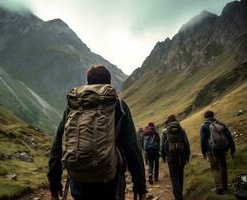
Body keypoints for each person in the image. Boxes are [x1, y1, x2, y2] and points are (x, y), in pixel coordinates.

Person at [48, 65, 147, 200]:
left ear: (88, 83)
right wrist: (140, 185)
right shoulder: (118, 106)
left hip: (78, 182)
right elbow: (132, 146)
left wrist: (54, 184)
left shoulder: (75, 106)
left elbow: (58, 144)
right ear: (109, 82)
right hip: (109, 184)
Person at [200, 110, 235, 195]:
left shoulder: (204, 126)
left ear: (205, 117)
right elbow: (229, 136)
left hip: (211, 150)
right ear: (213, 115)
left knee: (215, 168)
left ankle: (219, 187)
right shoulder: (221, 124)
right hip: (222, 149)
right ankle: (225, 186)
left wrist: (204, 152)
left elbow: (202, 140)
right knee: (223, 166)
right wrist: (232, 149)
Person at [161, 115, 190, 200]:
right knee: (180, 174)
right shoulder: (181, 129)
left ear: (168, 121)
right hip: (182, 156)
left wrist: (163, 157)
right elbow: (186, 143)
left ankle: (178, 196)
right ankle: (180, 192)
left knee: (174, 177)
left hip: (171, 157)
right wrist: (187, 156)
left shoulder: (165, 131)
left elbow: (162, 145)